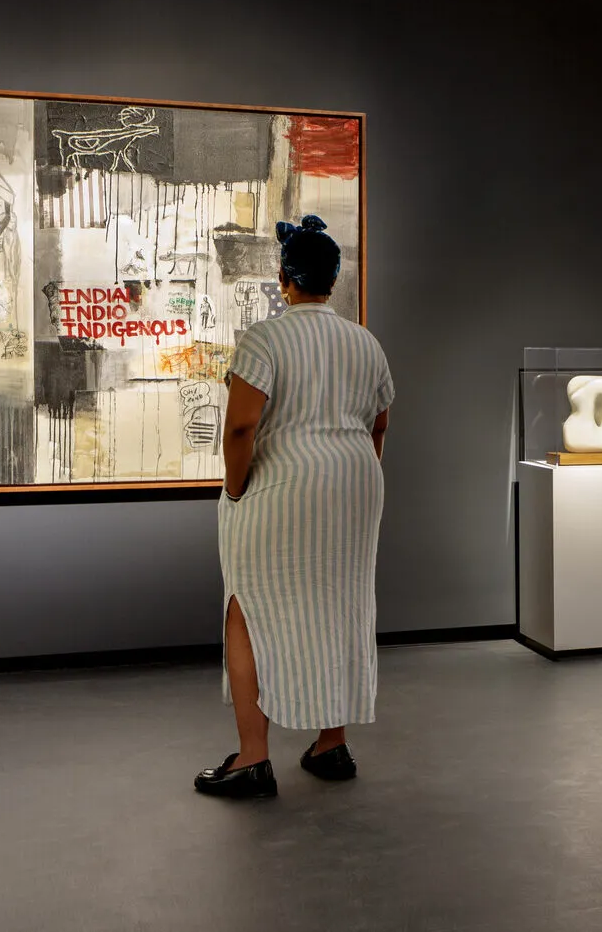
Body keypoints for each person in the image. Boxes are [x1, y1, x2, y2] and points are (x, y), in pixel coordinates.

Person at [194, 215, 395, 798]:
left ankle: (253, 758)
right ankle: (331, 744)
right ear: (333, 279)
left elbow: (240, 430)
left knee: (246, 606)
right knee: (340, 601)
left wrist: (235, 489)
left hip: (281, 486)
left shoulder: (265, 339)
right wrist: (359, 476)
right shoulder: (365, 342)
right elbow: (379, 422)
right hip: (356, 487)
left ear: (284, 277)